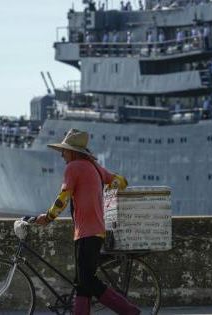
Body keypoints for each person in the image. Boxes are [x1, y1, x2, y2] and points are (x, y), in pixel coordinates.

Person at [36, 129, 140, 315]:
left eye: (64, 151)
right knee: (82, 284)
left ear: (73, 152)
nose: (62, 155)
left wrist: (49, 217)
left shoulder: (73, 167)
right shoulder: (95, 167)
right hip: (97, 231)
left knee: (88, 280)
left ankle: (129, 311)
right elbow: (121, 182)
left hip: (86, 232)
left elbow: (63, 197)